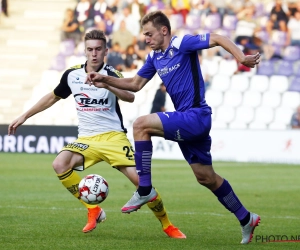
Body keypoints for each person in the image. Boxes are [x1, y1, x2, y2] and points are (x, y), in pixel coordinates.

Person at [85, 11, 262, 244]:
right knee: (205, 177)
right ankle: (246, 217)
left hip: (196, 116)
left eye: (149, 34)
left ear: (164, 30)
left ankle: (145, 188)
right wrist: (105, 79)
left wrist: (241, 57)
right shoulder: (154, 57)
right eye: (144, 35)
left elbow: (218, 38)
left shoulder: (182, 43)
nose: (146, 39)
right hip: (186, 119)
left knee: (140, 125)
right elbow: (135, 85)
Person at [8, 29, 185, 239]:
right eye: (90, 49)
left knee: (142, 183)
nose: (94, 54)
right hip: (86, 139)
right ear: (85, 51)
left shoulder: (111, 73)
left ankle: (167, 225)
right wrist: (25, 115)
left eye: (98, 49)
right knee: (59, 164)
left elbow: (130, 97)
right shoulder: (72, 75)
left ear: (105, 51)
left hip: (113, 137)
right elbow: (53, 97)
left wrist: (107, 83)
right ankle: (93, 209)